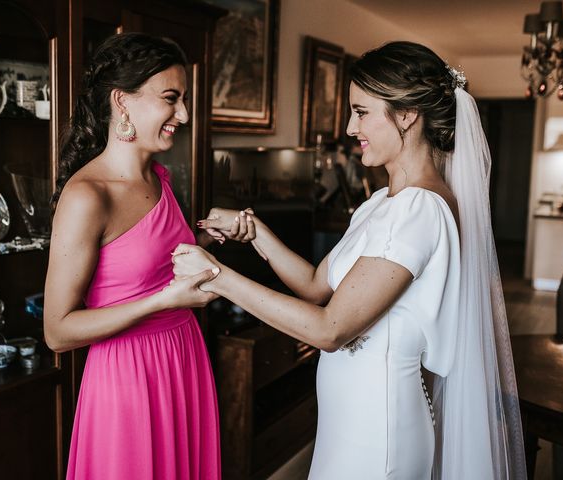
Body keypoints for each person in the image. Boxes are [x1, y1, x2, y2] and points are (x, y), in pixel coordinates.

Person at [173, 41, 527, 479]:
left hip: (380, 432)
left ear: (407, 115)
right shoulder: (382, 203)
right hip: (353, 422)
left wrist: (215, 276)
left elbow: (329, 329)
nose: (348, 126)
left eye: (361, 112)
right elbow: (316, 286)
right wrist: (255, 231)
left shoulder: (417, 210)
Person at [43, 33, 222, 480]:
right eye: (171, 99)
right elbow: (58, 331)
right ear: (122, 101)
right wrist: (161, 303)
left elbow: (149, 265)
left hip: (183, 359)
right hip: (129, 379)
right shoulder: (88, 195)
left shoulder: (157, 176)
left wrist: (212, 239)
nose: (183, 114)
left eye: (183, 100)